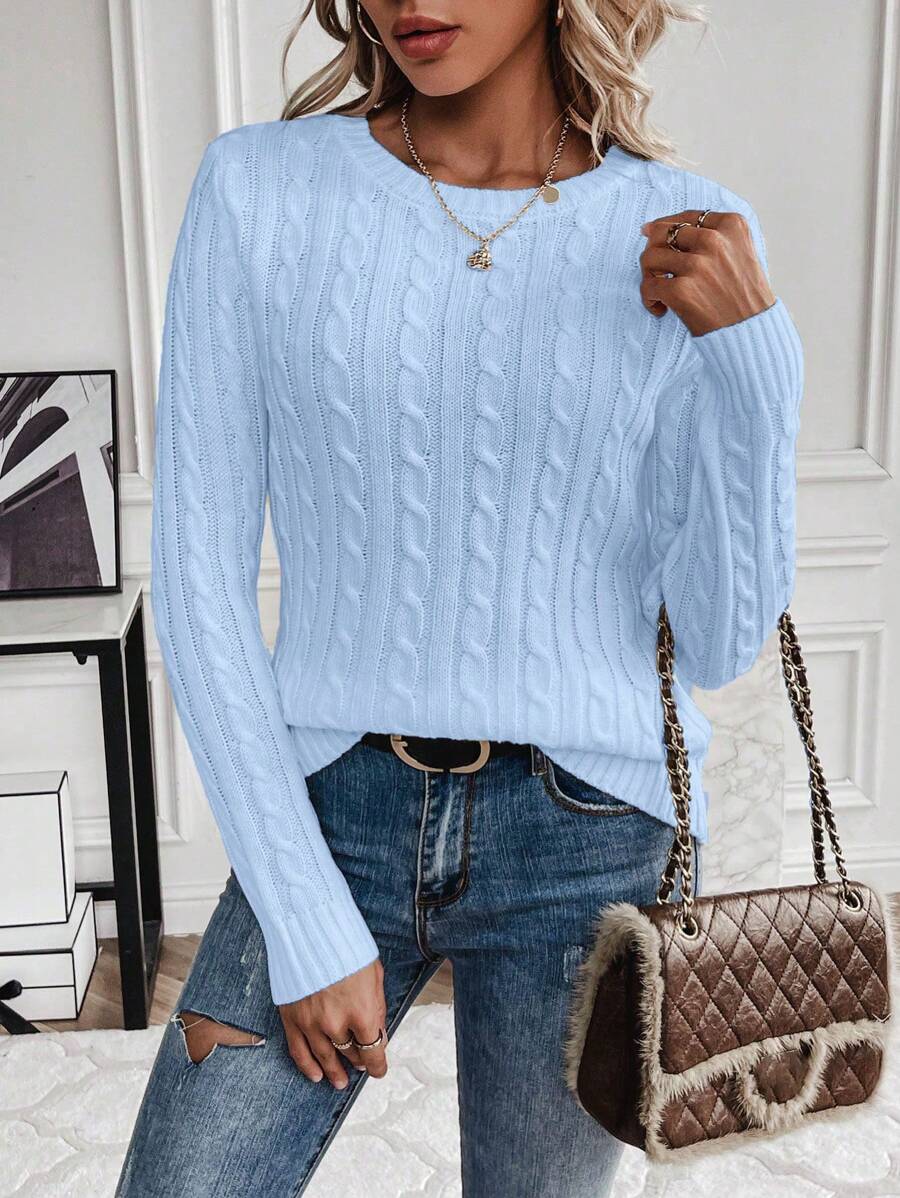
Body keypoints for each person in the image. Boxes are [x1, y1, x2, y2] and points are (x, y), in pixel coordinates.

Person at [116, 1, 803, 1194]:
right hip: (332, 809)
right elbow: (197, 577)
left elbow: (717, 640)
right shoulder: (260, 190)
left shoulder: (677, 227)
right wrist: (304, 917)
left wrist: (758, 364)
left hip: (589, 839)